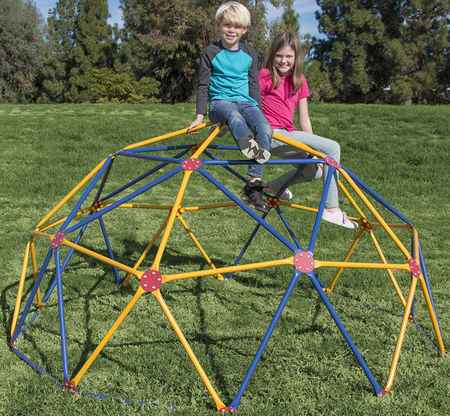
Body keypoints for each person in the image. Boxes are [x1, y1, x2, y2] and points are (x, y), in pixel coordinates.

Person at [258, 31, 357, 229]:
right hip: (271, 133)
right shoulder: (264, 76)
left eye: (289, 57)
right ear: (272, 55)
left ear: (296, 58)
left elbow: (304, 118)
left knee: (315, 171)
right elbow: (249, 105)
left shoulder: (299, 80)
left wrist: (312, 147)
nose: (284, 61)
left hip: (288, 134)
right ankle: (331, 209)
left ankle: (272, 187)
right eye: (279, 56)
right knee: (333, 147)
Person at [189, 1, 272, 213]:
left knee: (265, 128)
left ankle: (254, 181)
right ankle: (249, 147)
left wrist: (258, 113)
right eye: (227, 25)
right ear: (220, 25)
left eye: (237, 27)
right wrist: (199, 116)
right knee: (234, 117)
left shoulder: (250, 53)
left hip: (245, 102)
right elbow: (203, 84)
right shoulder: (210, 52)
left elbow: (254, 84)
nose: (231, 30)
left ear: (244, 30)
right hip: (220, 103)